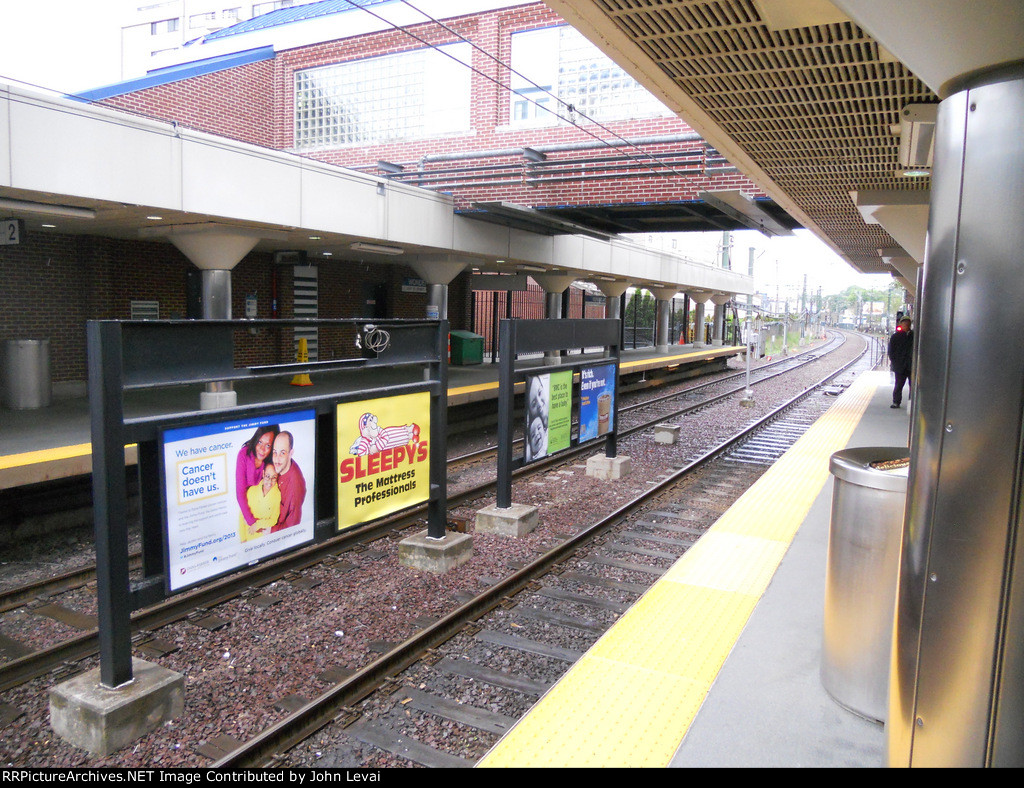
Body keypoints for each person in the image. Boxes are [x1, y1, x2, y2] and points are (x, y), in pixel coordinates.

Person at [236, 424, 279, 529]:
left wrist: (262, 524)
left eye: (268, 445)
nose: (262, 449)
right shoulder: (244, 454)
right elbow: (240, 492)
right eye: (260, 442)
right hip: (247, 512)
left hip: (264, 514)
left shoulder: (271, 461)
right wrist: (252, 522)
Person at [272, 430, 306, 531]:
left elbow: (292, 527)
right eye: (275, 452)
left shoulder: (295, 485)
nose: (277, 459)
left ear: (291, 453)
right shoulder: (276, 466)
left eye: (282, 453)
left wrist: (270, 531)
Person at [240, 461, 280, 542]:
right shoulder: (252, 490)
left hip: (264, 539)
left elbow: (273, 520)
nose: (270, 481)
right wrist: (243, 538)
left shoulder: (277, 495)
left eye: (274, 477)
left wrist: (257, 525)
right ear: (263, 474)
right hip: (248, 537)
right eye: (267, 476)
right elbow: (241, 516)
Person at [887, 317, 914, 408]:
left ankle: (911, 403)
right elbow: (891, 351)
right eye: (904, 323)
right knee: (898, 384)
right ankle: (896, 402)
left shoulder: (914, 335)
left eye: (907, 323)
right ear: (900, 324)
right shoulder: (895, 336)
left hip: (911, 365)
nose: (906, 324)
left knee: (912, 386)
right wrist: (894, 361)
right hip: (899, 366)